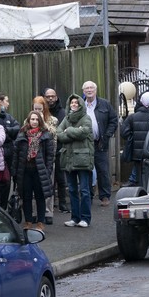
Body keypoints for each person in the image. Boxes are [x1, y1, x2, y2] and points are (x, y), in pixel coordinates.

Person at [57, 94, 95, 227]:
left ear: (80, 105)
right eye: (72, 102)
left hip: (83, 159)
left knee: (84, 190)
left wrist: (69, 130)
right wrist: (74, 132)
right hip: (68, 159)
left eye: (76, 103)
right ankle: (75, 218)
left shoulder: (86, 118)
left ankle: (85, 218)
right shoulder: (66, 118)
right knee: (72, 190)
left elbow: (84, 132)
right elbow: (59, 134)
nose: (74, 104)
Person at [13, 111, 55, 230]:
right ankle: (28, 221)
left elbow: (50, 156)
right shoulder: (22, 134)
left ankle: (40, 222)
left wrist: (47, 170)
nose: (34, 122)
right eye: (32, 119)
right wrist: (14, 171)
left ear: (40, 121)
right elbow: (16, 154)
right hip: (25, 170)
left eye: (37, 120)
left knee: (40, 196)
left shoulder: (45, 135)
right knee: (26, 196)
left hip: (39, 170)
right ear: (28, 120)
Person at [82, 81, 118, 207]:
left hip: (100, 142)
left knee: (102, 170)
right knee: (86, 170)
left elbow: (114, 120)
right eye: (87, 88)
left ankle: (105, 196)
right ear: (84, 91)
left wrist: (107, 135)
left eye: (91, 88)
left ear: (96, 90)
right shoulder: (81, 105)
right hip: (84, 144)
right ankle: (88, 197)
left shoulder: (105, 104)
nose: (89, 90)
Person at [120, 92, 149, 184]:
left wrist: (133, 137)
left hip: (137, 153)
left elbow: (124, 133)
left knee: (139, 175)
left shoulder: (132, 117)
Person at [33, 96, 58, 225]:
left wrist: (43, 122)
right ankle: (35, 213)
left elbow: (53, 135)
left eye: (40, 109)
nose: (37, 111)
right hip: (33, 160)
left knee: (48, 184)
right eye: (35, 108)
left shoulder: (52, 120)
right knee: (34, 187)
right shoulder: (29, 119)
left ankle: (48, 212)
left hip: (47, 157)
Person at [44, 88, 69, 214]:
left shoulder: (62, 112)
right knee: (48, 177)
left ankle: (63, 203)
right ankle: (50, 202)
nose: (50, 99)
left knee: (60, 176)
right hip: (46, 149)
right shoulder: (43, 112)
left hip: (60, 148)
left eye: (52, 96)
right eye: (48, 96)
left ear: (56, 97)